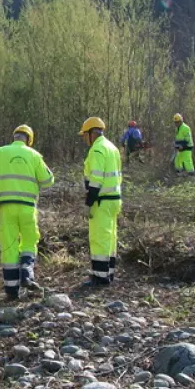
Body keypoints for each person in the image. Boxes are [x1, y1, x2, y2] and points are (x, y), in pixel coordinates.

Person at [0, 125, 54, 300]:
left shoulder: (0, 153)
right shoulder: (34, 155)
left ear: (14, 137)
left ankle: (11, 291)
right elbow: (48, 180)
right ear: (29, 140)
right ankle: (27, 272)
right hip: (28, 207)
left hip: (6, 207)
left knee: (9, 246)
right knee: (30, 239)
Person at [79, 117, 122, 287]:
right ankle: (109, 273)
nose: (84, 139)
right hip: (114, 200)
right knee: (110, 237)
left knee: (99, 238)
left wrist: (89, 202)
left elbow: (96, 180)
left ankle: (100, 276)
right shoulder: (112, 148)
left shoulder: (97, 150)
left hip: (101, 201)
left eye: (84, 135)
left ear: (91, 133)